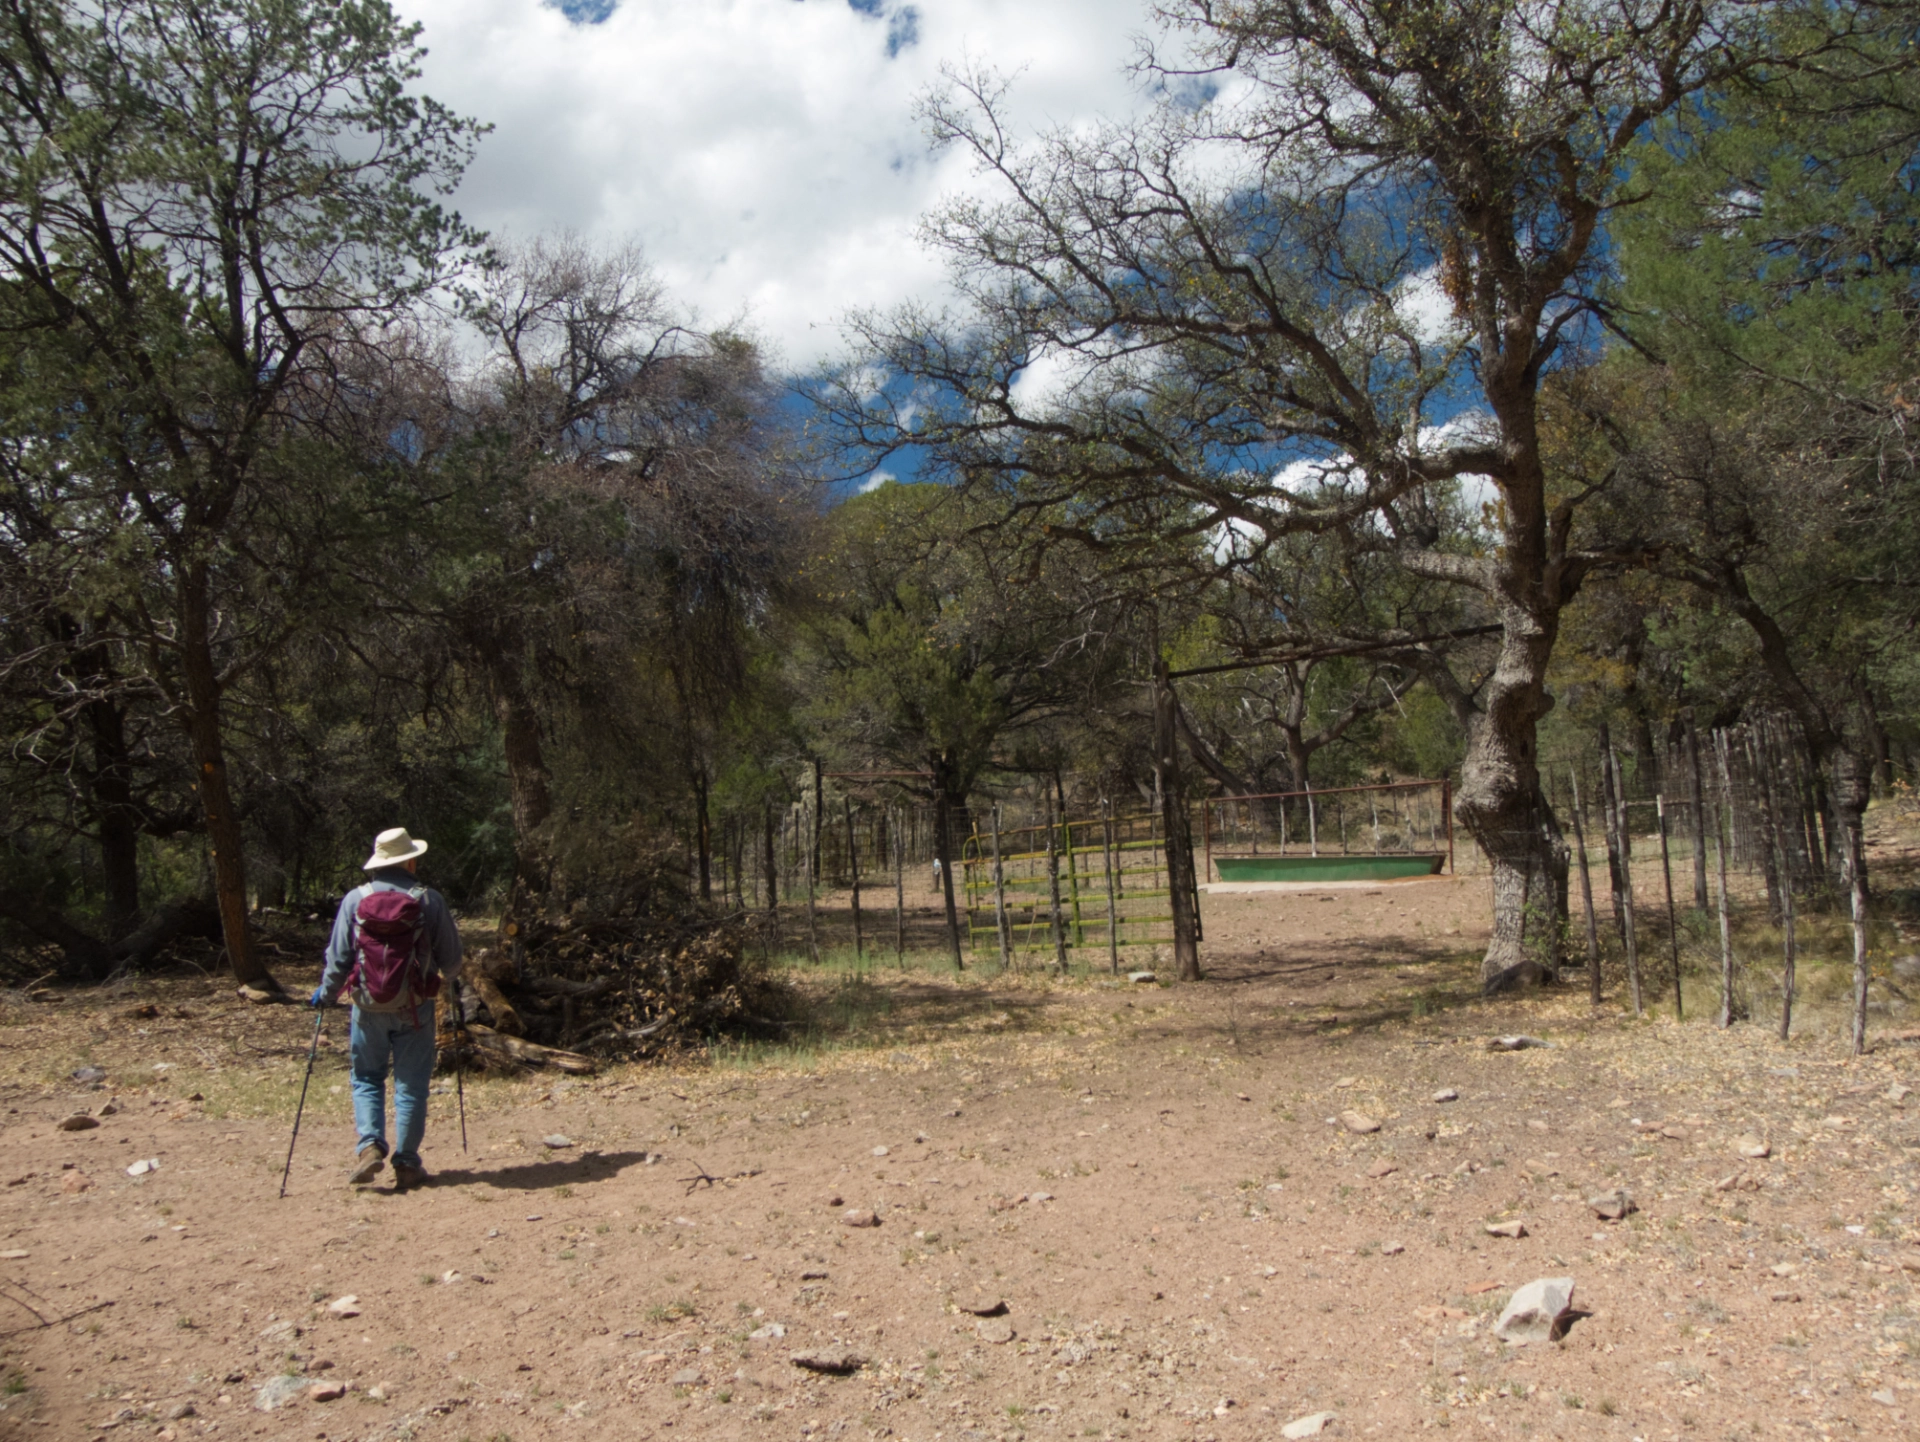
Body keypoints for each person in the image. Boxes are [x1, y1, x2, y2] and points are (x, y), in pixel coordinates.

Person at [311, 827, 463, 1190]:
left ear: (379, 863)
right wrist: (442, 980)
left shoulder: (354, 899)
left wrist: (326, 994)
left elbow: (338, 960)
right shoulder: (429, 900)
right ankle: (408, 1163)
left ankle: (369, 1146)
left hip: (367, 1007)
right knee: (411, 1085)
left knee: (366, 1077)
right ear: (409, 859)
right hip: (415, 1007)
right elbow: (452, 960)